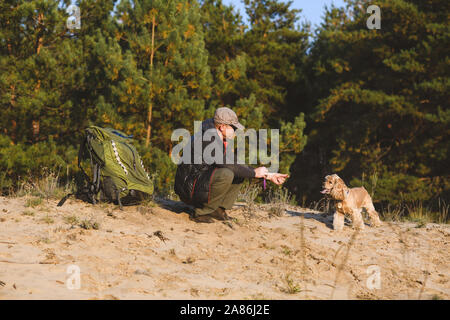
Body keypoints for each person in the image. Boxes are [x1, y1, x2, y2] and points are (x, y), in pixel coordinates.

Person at [174, 107, 289, 223]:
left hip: (198, 183)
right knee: (227, 173)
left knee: (239, 171)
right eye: (233, 127)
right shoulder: (207, 139)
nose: (235, 131)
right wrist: (254, 173)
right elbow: (229, 165)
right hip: (188, 190)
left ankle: (218, 210)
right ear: (222, 126)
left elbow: (237, 164)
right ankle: (199, 213)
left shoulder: (217, 136)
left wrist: (267, 175)